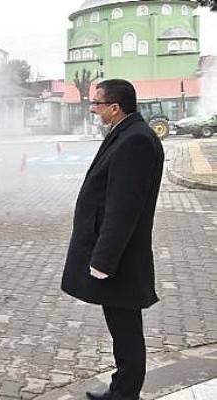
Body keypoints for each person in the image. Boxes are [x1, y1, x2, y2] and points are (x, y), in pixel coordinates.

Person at [61, 79, 164, 400]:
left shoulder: (136, 141)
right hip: (119, 256)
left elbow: (123, 208)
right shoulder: (127, 132)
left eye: (97, 103)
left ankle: (124, 394)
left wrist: (103, 260)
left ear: (115, 107)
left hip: (120, 259)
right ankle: (122, 389)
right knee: (122, 328)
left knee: (126, 330)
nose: (93, 109)